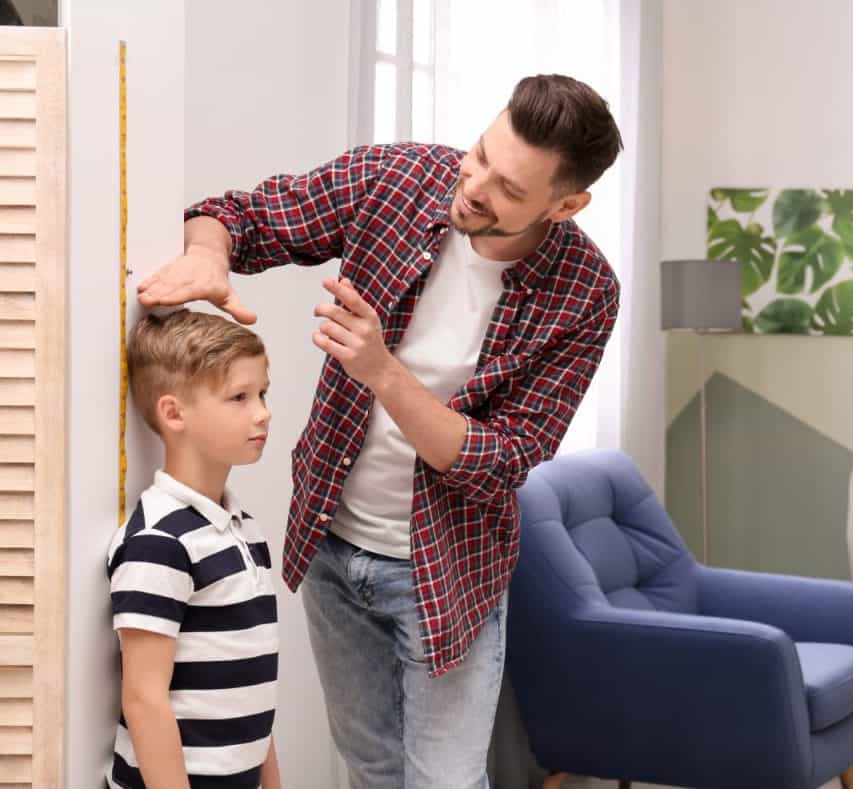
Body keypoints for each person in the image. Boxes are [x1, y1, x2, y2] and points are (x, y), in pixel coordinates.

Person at [136, 74, 623, 787]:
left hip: (451, 568)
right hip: (334, 551)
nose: (477, 184)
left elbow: (502, 460)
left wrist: (382, 371)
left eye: (511, 189)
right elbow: (237, 216)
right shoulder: (396, 180)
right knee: (371, 771)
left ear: (566, 204)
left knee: (445, 781)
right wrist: (210, 256)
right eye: (482, 153)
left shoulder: (586, 291)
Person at [106, 309, 280, 789]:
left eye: (262, 393)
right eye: (239, 398)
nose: (262, 412)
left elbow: (251, 693)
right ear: (174, 413)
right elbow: (143, 699)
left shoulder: (243, 530)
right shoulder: (160, 541)